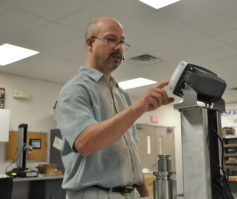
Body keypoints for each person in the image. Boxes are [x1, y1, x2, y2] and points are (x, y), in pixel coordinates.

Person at [53, 17, 174, 199]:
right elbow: (86, 143)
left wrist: (144, 193)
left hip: (129, 192)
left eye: (122, 42)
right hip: (95, 194)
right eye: (111, 39)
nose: (118, 47)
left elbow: (129, 150)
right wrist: (139, 108)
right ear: (90, 43)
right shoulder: (75, 89)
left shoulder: (120, 93)